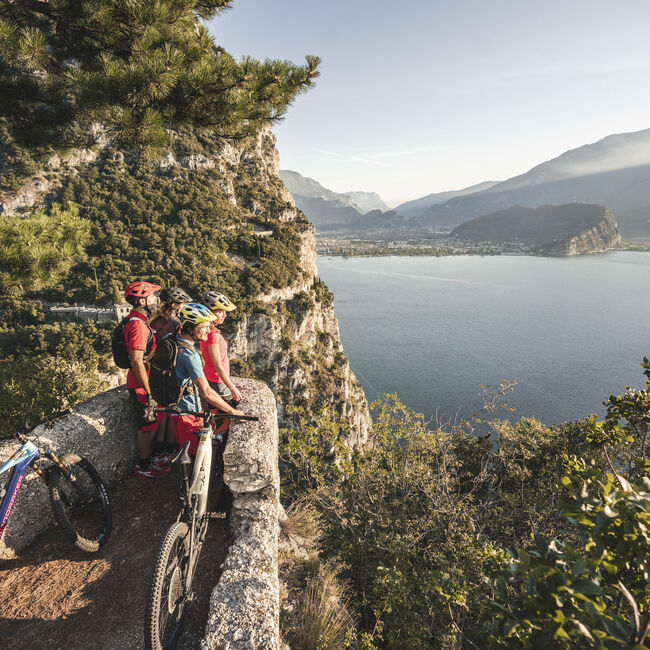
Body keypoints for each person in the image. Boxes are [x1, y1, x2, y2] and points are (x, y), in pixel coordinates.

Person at [170, 303, 244, 455]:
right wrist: (232, 412)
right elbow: (206, 392)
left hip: (172, 407)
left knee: (182, 450)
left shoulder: (170, 341)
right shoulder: (190, 356)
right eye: (204, 326)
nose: (208, 330)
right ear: (191, 328)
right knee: (191, 455)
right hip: (188, 412)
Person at [123, 280, 170, 480]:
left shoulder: (138, 320)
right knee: (146, 427)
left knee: (151, 423)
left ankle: (148, 460)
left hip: (146, 382)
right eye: (152, 296)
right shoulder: (138, 326)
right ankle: (143, 466)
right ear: (141, 300)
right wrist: (149, 391)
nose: (155, 300)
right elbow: (136, 361)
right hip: (142, 385)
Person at [200, 290, 242, 404]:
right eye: (220, 311)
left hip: (212, 378)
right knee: (223, 416)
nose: (224, 315)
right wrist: (232, 388)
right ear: (209, 312)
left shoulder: (205, 331)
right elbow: (217, 366)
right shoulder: (212, 335)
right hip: (216, 382)